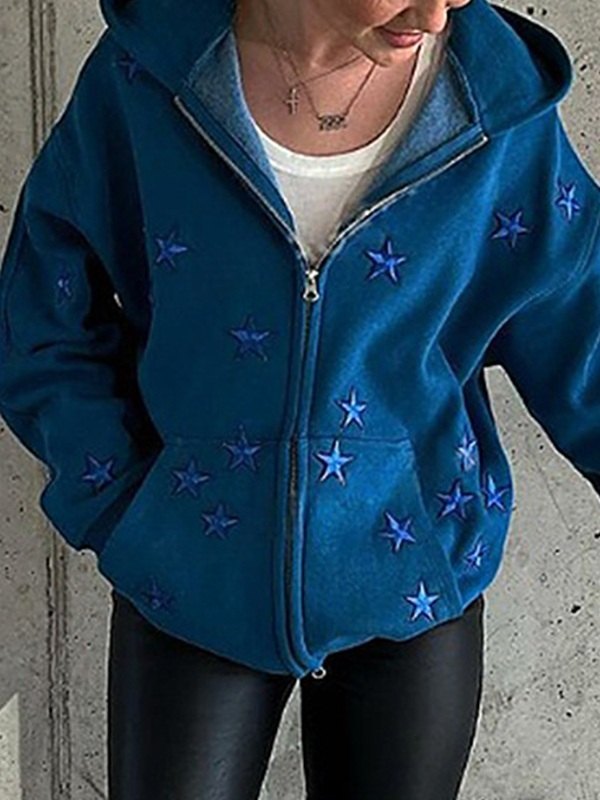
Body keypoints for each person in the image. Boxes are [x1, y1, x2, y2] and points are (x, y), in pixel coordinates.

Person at [0, 0, 597, 798]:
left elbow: (585, 338)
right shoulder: (149, 73)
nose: (435, 14)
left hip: (414, 591)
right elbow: (44, 314)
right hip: (191, 583)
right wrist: (121, 505)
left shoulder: (498, 109)